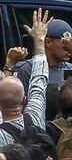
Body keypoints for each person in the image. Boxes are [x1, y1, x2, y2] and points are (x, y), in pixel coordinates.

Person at [0, 9, 51, 146]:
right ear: (24, 100)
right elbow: (39, 83)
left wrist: (9, 64)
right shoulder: (35, 119)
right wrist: (39, 40)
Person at [14, 19, 72, 94]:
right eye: (65, 44)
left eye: (71, 45)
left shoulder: (69, 69)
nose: (69, 49)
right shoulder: (25, 69)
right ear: (48, 42)